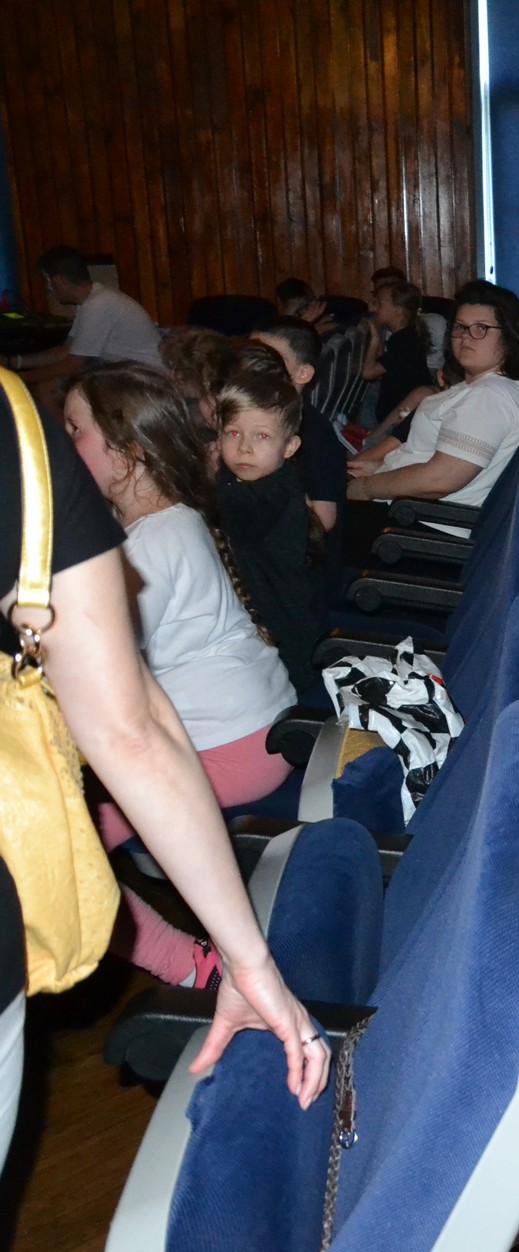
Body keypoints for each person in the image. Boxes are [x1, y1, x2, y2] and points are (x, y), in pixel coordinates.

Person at [1, 373, 327, 1161]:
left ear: (126, 452)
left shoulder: (146, 543)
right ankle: (205, 957)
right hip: (251, 726)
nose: (65, 446)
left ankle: (193, 964)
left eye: (76, 430)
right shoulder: (166, 519)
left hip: (232, 746)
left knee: (74, 848)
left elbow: (115, 713)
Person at [347, 281, 519, 509]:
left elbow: (440, 479)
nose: (466, 337)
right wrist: (381, 467)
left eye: (481, 328)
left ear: (509, 336)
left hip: (415, 517)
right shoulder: (478, 387)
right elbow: (430, 458)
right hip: (404, 499)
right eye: (460, 327)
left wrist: (367, 487)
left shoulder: (490, 397)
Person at [213, 360, 324, 696]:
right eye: (233, 433)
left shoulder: (264, 496)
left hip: (282, 638)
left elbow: (215, 509)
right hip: (266, 623)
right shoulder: (260, 478)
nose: (244, 447)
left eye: (261, 436)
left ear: (290, 447)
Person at [6, 248, 164, 409]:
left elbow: (73, 365)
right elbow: (64, 352)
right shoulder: (92, 301)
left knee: (48, 390)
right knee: (47, 387)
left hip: (145, 377)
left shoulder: (98, 305)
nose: (48, 289)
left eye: (48, 282)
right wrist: (13, 362)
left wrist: (16, 378)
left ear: (59, 281)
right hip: (127, 371)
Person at [250, 318, 345, 535]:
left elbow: (323, 519)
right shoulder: (254, 420)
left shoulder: (312, 432)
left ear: (303, 374)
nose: (257, 367)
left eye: (273, 360)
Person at [357, 280, 435, 446]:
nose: (374, 309)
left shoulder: (406, 341)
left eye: (379, 304)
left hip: (401, 419)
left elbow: (368, 373)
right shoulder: (404, 336)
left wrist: (374, 338)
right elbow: (382, 368)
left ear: (398, 310)